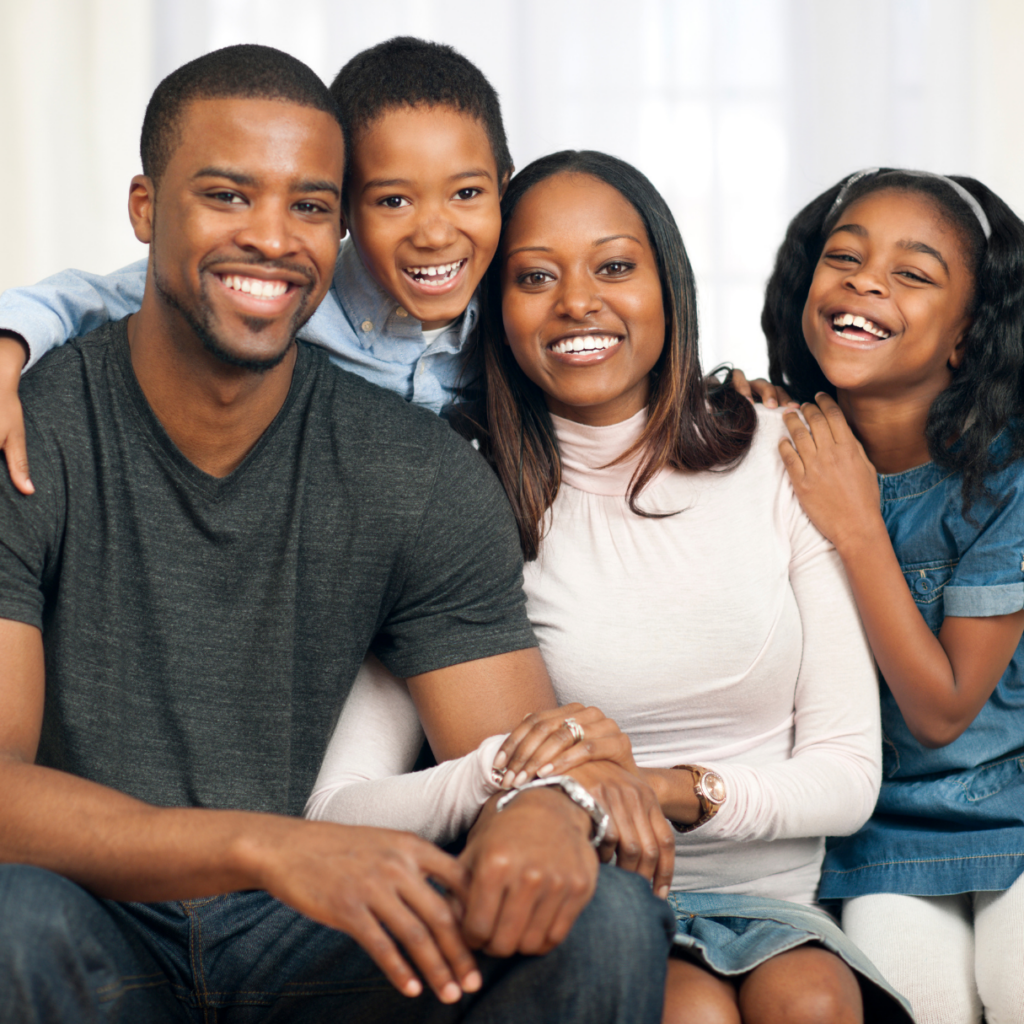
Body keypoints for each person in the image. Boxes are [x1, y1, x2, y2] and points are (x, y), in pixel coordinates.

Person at [0, 46, 677, 1023]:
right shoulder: (30, 431)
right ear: (146, 209)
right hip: (92, 916)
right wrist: (266, 846)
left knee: (600, 916)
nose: (274, 238)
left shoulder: (417, 466)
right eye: (229, 196)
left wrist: (544, 810)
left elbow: (513, 753)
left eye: (311, 206)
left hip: (316, 937)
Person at [290, 150, 915, 1023]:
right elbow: (337, 812)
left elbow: (849, 777)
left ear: (670, 284)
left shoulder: (781, 454)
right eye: (535, 277)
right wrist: (526, 777)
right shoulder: (454, 498)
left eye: (615, 266)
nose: (577, 302)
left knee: (810, 1000)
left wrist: (644, 789)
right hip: (589, 910)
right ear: (495, 311)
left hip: (777, 909)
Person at [0, 35, 510, 495]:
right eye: (393, 201)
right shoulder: (288, 289)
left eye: (467, 193)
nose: (436, 234)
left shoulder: (513, 308)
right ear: (344, 213)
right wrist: (8, 347)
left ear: (502, 189)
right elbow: (91, 297)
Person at [755, 167, 1024, 1024]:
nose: (866, 281)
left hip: (1009, 812)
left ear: (966, 337)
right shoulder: (780, 444)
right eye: (844, 258)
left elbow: (943, 709)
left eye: (913, 273)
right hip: (875, 832)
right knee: (922, 1001)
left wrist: (859, 526)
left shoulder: (1009, 477)